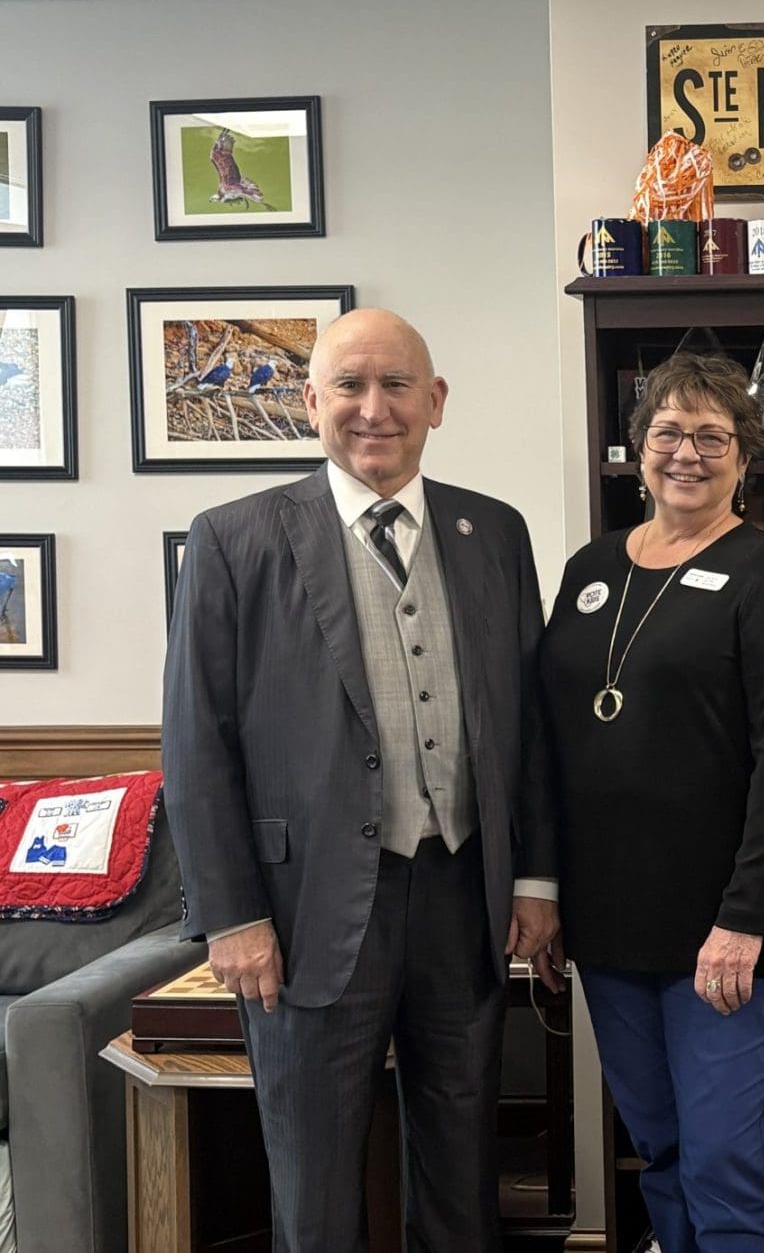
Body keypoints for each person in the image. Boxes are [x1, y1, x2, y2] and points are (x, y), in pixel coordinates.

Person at [162, 308, 561, 1252]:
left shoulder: (495, 532)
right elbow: (196, 744)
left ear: (436, 401)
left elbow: (529, 723)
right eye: (349, 385)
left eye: (396, 385)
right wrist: (231, 915)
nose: (373, 409)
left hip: (463, 894)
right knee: (314, 1184)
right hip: (302, 911)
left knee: (463, 1168)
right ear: (310, 402)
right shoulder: (233, 539)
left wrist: (536, 878)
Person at [539, 352, 764, 1253]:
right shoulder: (589, 569)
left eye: (713, 437)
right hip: (609, 926)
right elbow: (547, 741)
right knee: (661, 1154)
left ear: (744, 457)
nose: (687, 454)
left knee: (722, 1163)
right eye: (668, 433)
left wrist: (746, 919)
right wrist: (542, 893)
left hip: (724, 933)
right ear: (638, 449)